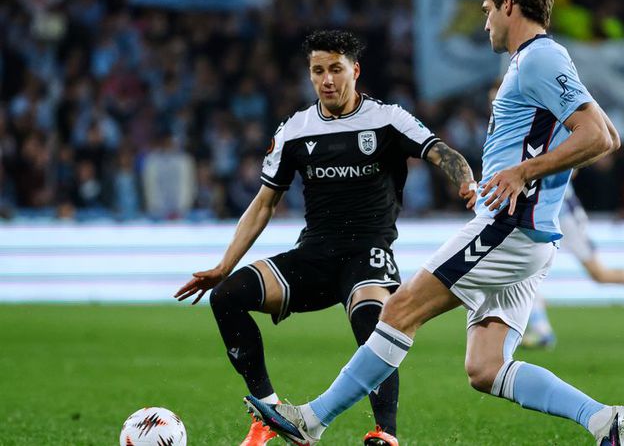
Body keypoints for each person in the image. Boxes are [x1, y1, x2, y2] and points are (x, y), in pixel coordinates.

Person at [245, 0, 624, 445]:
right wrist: (533, 176)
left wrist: (524, 173)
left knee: (399, 309)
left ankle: (312, 421)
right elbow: (604, 133)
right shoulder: (535, 61)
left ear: (509, 5)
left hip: (507, 228)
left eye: (488, 10)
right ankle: (603, 419)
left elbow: (600, 136)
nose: (486, 21)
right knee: (486, 368)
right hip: (530, 237)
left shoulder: (539, 57)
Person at [174, 29, 476, 446]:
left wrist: (467, 183)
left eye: (335, 69)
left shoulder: (388, 119)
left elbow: (443, 152)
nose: (327, 80)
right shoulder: (295, 130)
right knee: (227, 297)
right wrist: (224, 266)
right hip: (314, 254)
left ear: (355, 70)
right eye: (318, 71)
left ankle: (385, 434)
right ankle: (271, 414)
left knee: (377, 320)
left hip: (368, 252)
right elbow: (264, 203)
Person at [522, 180, 624, 349]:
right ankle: (542, 331)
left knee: (599, 274)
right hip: (543, 213)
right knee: (526, 269)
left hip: (564, 216)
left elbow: (572, 169)